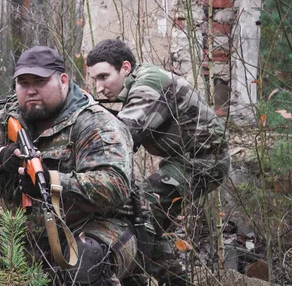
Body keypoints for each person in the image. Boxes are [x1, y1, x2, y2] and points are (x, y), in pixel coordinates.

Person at [0, 46, 141, 285]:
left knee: (83, 265)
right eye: (23, 83)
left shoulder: (94, 122)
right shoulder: (11, 116)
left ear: (62, 80)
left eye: (39, 82)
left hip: (97, 227)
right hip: (30, 228)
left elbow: (115, 186)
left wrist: (53, 182)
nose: (31, 91)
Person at [87, 39, 231, 283]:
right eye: (95, 80)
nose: (99, 88)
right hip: (185, 159)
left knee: (141, 213)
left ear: (125, 68)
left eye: (103, 77)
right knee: (146, 220)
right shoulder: (139, 82)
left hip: (205, 162)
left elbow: (122, 138)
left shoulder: (149, 84)